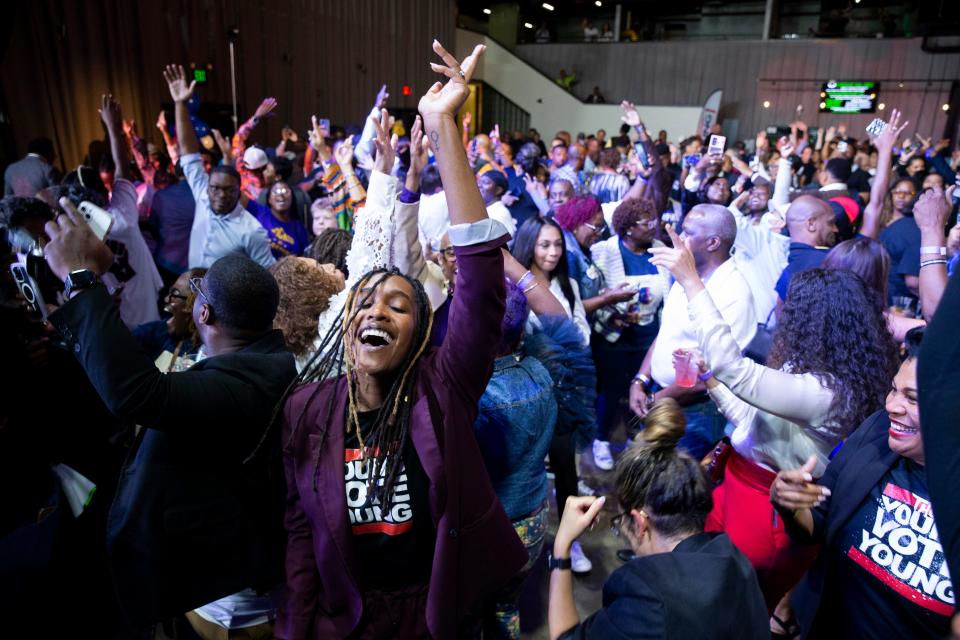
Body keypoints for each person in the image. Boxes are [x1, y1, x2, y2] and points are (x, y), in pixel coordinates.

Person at [277, 41, 528, 639]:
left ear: (420, 335)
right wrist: (295, 625)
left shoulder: (443, 388)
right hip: (349, 620)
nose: (378, 310)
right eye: (365, 301)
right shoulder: (308, 409)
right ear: (344, 324)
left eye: (398, 305)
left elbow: (482, 283)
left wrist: (444, 128)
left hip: (435, 612)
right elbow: (301, 530)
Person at [41, 199, 298, 632]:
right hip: (218, 576)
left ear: (205, 312)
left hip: (224, 598)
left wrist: (83, 280)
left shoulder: (245, 384)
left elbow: (135, 394)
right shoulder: (265, 361)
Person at [650, 225, 900, 614]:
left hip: (767, 513)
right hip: (735, 488)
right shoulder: (809, 369)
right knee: (700, 600)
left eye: (792, 307)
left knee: (730, 613)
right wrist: (710, 380)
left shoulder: (827, 390)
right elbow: (753, 424)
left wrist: (691, 280)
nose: (781, 310)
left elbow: (738, 371)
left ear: (813, 320)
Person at [772, 328, 954, 639]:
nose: (891, 405)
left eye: (911, 398)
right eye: (893, 390)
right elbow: (817, 523)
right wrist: (790, 504)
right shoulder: (876, 432)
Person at [548, 399, 769, 639]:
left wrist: (561, 548)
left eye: (620, 522)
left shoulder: (646, 598)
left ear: (640, 522)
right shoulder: (736, 562)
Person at [630, 205, 757, 460]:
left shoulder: (734, 294)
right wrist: (641, 380)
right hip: (660, 393)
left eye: (687, 233)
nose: (678, 237)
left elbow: (714, 373)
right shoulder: (687, 274)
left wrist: (658, 399)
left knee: (678, 488)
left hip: (696, 411)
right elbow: (667, 331)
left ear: (712, 242)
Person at [61, 95, 163, 329]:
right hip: (146, 310)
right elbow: (122, 168)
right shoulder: (122, 216)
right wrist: (113, 129)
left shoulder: (75, 237)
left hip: (114, 324)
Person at [163, 65, 275, 269]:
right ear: (207, 188)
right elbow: (189, 153)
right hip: (193, 295)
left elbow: (270, 277)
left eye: (229, 190)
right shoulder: (203, 197)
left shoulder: (251, 231)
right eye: (215, 189)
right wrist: (180, 104)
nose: (221, 196)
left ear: (238, 191)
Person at [588, 198, 669, 471]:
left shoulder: (660, 251)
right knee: (610, 392)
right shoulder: (604, 252)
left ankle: (638, 438)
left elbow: (668, 296)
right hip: (614, 335)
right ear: (629, 228)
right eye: (647, 222)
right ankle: (601, 439)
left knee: (643, 389)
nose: (653, 227)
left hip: (649, 336)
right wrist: (612, 315)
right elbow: (594, 294)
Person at [512, 215, 590, 344]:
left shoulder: (570, 284)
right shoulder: (514, 289)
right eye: (545, 245)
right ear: (529, 246)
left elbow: (584, 335)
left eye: (558, 244)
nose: (554, 252)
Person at [268, 256, 342, 371]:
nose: (331, 265)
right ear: (312, 294)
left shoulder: (303, 352)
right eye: (320, 269)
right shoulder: (334, 336)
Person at [131, 267, 207, 370]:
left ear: (195, 307)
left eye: (175, 294)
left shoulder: (208, 355)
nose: (167, 299)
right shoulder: (151, 334)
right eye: (170, 292)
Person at [774, 196, 838, 304]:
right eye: (830, 223)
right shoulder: (832, 262)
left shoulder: (786, 268)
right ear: (811, 224)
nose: (836, 229)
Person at [879, 177, 921, 309]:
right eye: (897, 192)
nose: (901, 196)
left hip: (902, 293)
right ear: (891, 194)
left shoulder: (916, 225)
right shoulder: (879, 219)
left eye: (908, 193)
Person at [247, 181, 311, 258]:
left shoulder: (299, 227)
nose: (280, 194)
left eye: (285, 191)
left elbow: (306, 256)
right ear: (269, 199)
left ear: (292, 198)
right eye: (275, 191)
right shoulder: (260, 212)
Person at [477, 169, 517, 236]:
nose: (479, 185)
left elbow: (507, 244)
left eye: (485, 182)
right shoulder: (485, 209)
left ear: (498, 190)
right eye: (479, 182)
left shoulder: (501, 213)